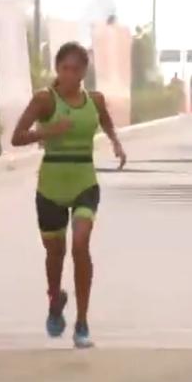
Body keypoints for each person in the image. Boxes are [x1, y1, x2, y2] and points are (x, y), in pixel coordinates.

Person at [11, 41, 127, 349]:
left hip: (84, 183)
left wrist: (116, 141)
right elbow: (17, 137)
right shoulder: (45, 100)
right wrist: (48, 131)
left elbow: (104, 119)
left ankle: (83, 323)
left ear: (84, 71)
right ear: (57, 70)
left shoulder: (95, 100)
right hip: (50, 187)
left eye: (76, 69)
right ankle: (54, 299)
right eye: (64, 69)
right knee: (55, 255)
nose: (70, 75)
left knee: (80, 245)